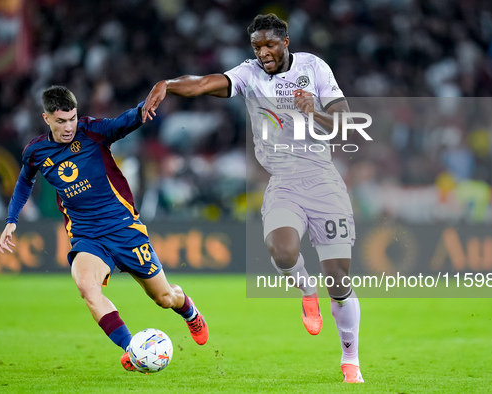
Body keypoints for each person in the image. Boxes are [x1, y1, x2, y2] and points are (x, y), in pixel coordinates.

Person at [142, 14, 363, 383]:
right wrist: (168, 84)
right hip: (284, 182)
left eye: (269, 45)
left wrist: (314, 112)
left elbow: (346, 123)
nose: (263, 53)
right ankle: (307, 289)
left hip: (324, 181)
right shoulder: (250, 74)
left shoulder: (315, 68)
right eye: (256, 47)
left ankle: (350, 360)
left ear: (286, 41)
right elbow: (203, 84)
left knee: (339, 281)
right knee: (282, 250)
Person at [0, 85, 209, 372]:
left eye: (72, 118)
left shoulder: (91, 132)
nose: (69, 126)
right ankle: (132, 349)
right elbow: (25, 181)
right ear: (46, 118)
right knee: (86, 287)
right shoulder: (36, 152)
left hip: (124, 228)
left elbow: (121, 123)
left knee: (163, 298)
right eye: (61, 121)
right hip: (87, 236)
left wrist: (142, 109)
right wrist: (12, 219)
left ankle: (189, 310)